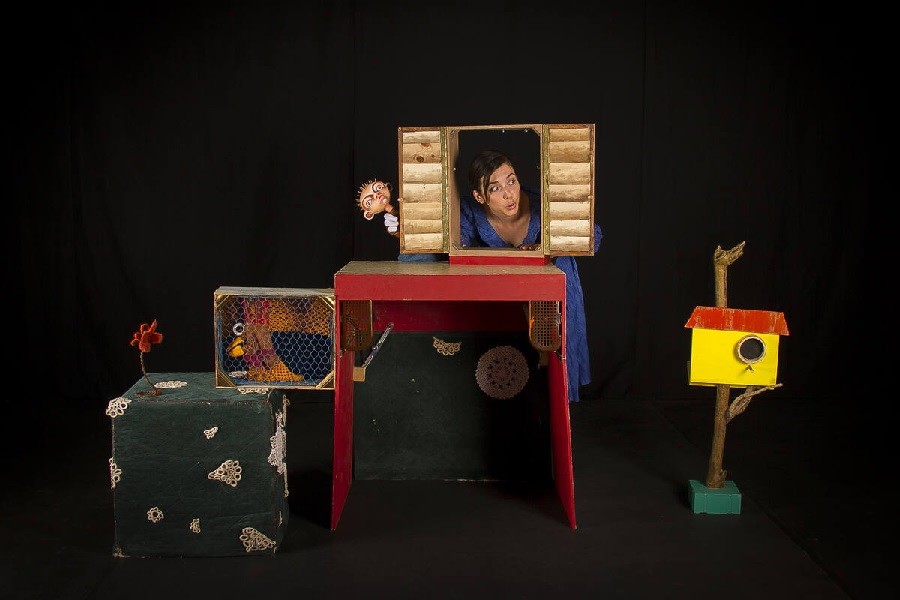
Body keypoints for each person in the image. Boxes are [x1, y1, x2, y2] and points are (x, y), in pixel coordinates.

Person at [383, 150, 602, 402]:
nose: (509, 193)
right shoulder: (470, 211)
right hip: (506, 296)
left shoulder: (543, 205)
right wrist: (407, 230)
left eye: (512, 181)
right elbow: (451, 247)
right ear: (479, 196)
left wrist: (547, 248)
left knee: (553, 366)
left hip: (550, 295)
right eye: (495, 188)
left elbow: (593, 236)